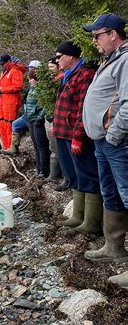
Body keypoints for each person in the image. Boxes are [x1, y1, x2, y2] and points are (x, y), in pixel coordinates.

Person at [81, 14, 127, 288]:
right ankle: (114, 247)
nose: (93, 40)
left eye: (97, 35)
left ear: (113, 34)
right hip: (103, 142)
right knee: (111, 193)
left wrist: (113, 134)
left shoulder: (125, 60)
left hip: (117, 142)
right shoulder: (110, 60)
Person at [52, 41, 102, 234]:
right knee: (73, 174)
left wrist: (78, 136)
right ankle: (78, 216)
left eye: (59, 56)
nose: (57, 60)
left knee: (87, 174)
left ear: (71, 56)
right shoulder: (67, 75)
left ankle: (92, 222)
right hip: (64, 132)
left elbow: (83, 109)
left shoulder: (85, 74)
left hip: (76, 134)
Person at [0, 54, 26, 151]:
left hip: (11, 102)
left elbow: (18, 86)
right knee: (2, 124)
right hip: (3, 101)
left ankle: (11, 148)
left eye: (3, 63)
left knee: (9, 125)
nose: (1, 65)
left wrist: (1, 89)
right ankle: (5, 147)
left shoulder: (15, 70)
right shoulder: (4, 71)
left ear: (9, 61)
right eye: (0, 64)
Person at [46, 57, 68, 190]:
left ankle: (66, 178)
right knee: (53, 148)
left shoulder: (63, 78)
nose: (50, 70)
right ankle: (53, 175)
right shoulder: (51, 81)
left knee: (61, 150)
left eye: (52, 67)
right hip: (49, 118)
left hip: (60, 120)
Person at [25, 68, 50, 177]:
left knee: (42, 146)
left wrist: (39, 118)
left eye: (31, 79)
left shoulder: (42, 89)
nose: (29, 81)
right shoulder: (31, 89)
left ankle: (44, 170)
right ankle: (38, 168)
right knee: (35, 146)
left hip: (38, 121)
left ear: (36, 79)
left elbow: (45, 106)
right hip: (30, 120)